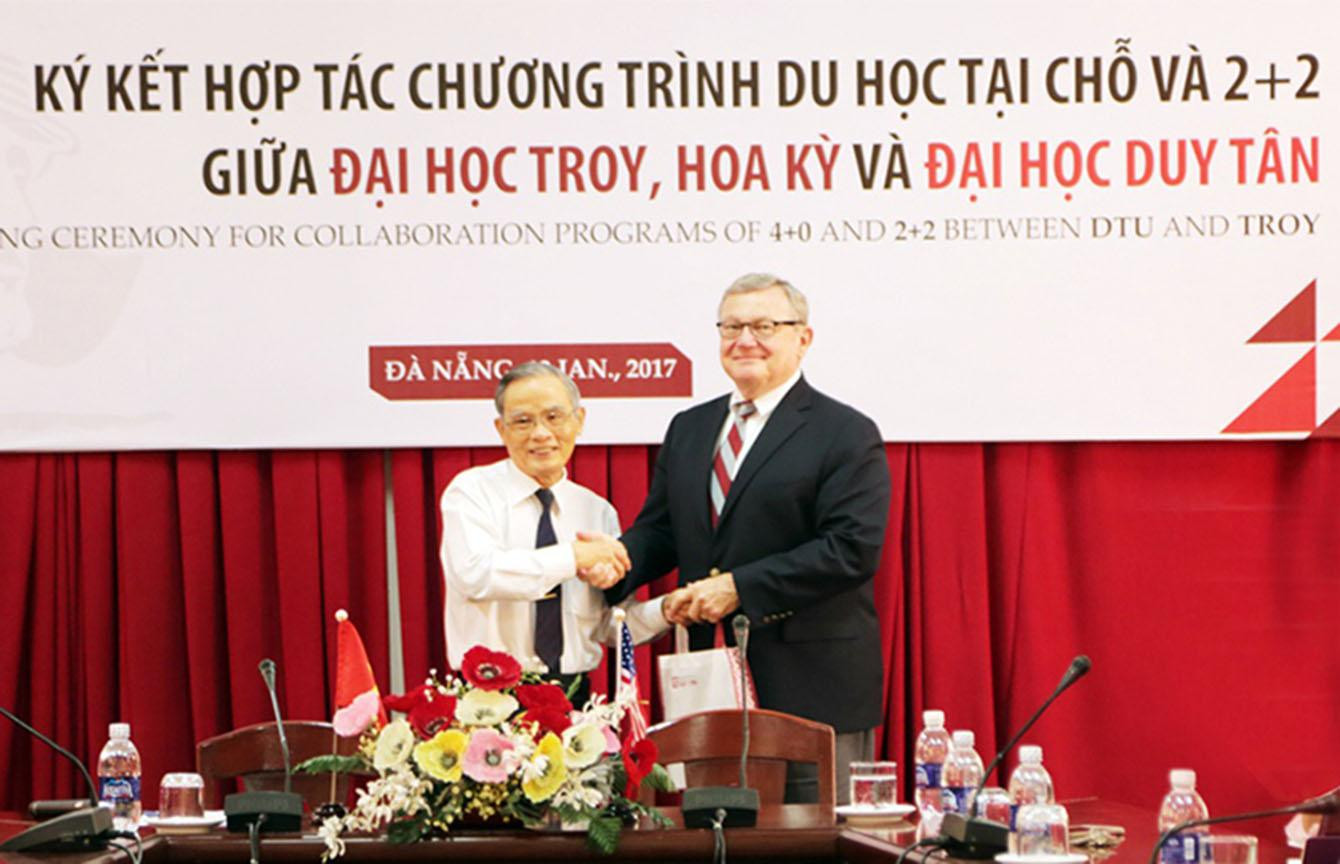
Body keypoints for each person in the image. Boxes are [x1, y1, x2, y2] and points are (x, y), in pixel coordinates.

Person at [607, 273, 891, 804]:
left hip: (812, 687)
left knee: (813, 835)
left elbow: (850, 549)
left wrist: (739, 587)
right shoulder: (690, 428)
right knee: (715, 829)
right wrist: (617, 560)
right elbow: (662, 530)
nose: (744, 340)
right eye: (731, 327)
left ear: (803, 338)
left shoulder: (845, 432)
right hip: (711, 685)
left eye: (763, 326)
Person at [439, 361, 669, 701]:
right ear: (501, 429)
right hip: (487, 696)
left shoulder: (596, 510)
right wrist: (574, 557)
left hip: (574, 694)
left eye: (553, 417)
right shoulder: (472, 492)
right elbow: (477, 574)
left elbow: (607, 624)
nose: (541, 434)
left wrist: (667, 610)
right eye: (523, 421)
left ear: (579, 420)